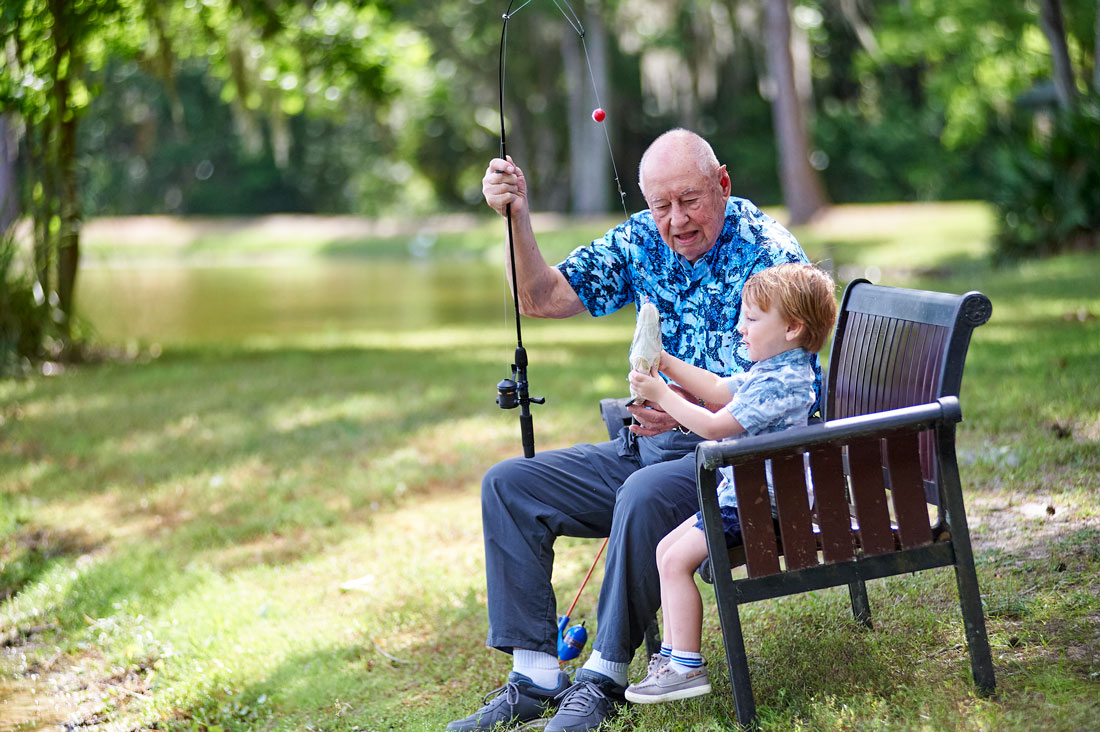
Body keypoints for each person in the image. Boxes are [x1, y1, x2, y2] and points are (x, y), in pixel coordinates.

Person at [447, 129, 815, 732]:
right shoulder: (641, 240)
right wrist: (516, 215)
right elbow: (540, 298)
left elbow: (773, 390)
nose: (676, 221)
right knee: (510, 486)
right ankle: (536, 675)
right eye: (660, 205)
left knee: (641, 496)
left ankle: (604, 677)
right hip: (647, 446)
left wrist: (676, 403)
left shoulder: (769, 255)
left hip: (727, 466)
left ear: (722, 183)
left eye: (690, 200)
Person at [622, 263, 837, 704]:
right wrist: (665, 364)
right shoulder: (774, 368)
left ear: (793, 328)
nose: (740, 327)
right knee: (666, 551)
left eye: (752, 319)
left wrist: (663, 395)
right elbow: (720, 388)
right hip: (745, 496)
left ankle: (685, 667)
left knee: (675, 561)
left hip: (764, 506)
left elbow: (716, 425)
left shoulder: (782, 382)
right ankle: (671, 656)